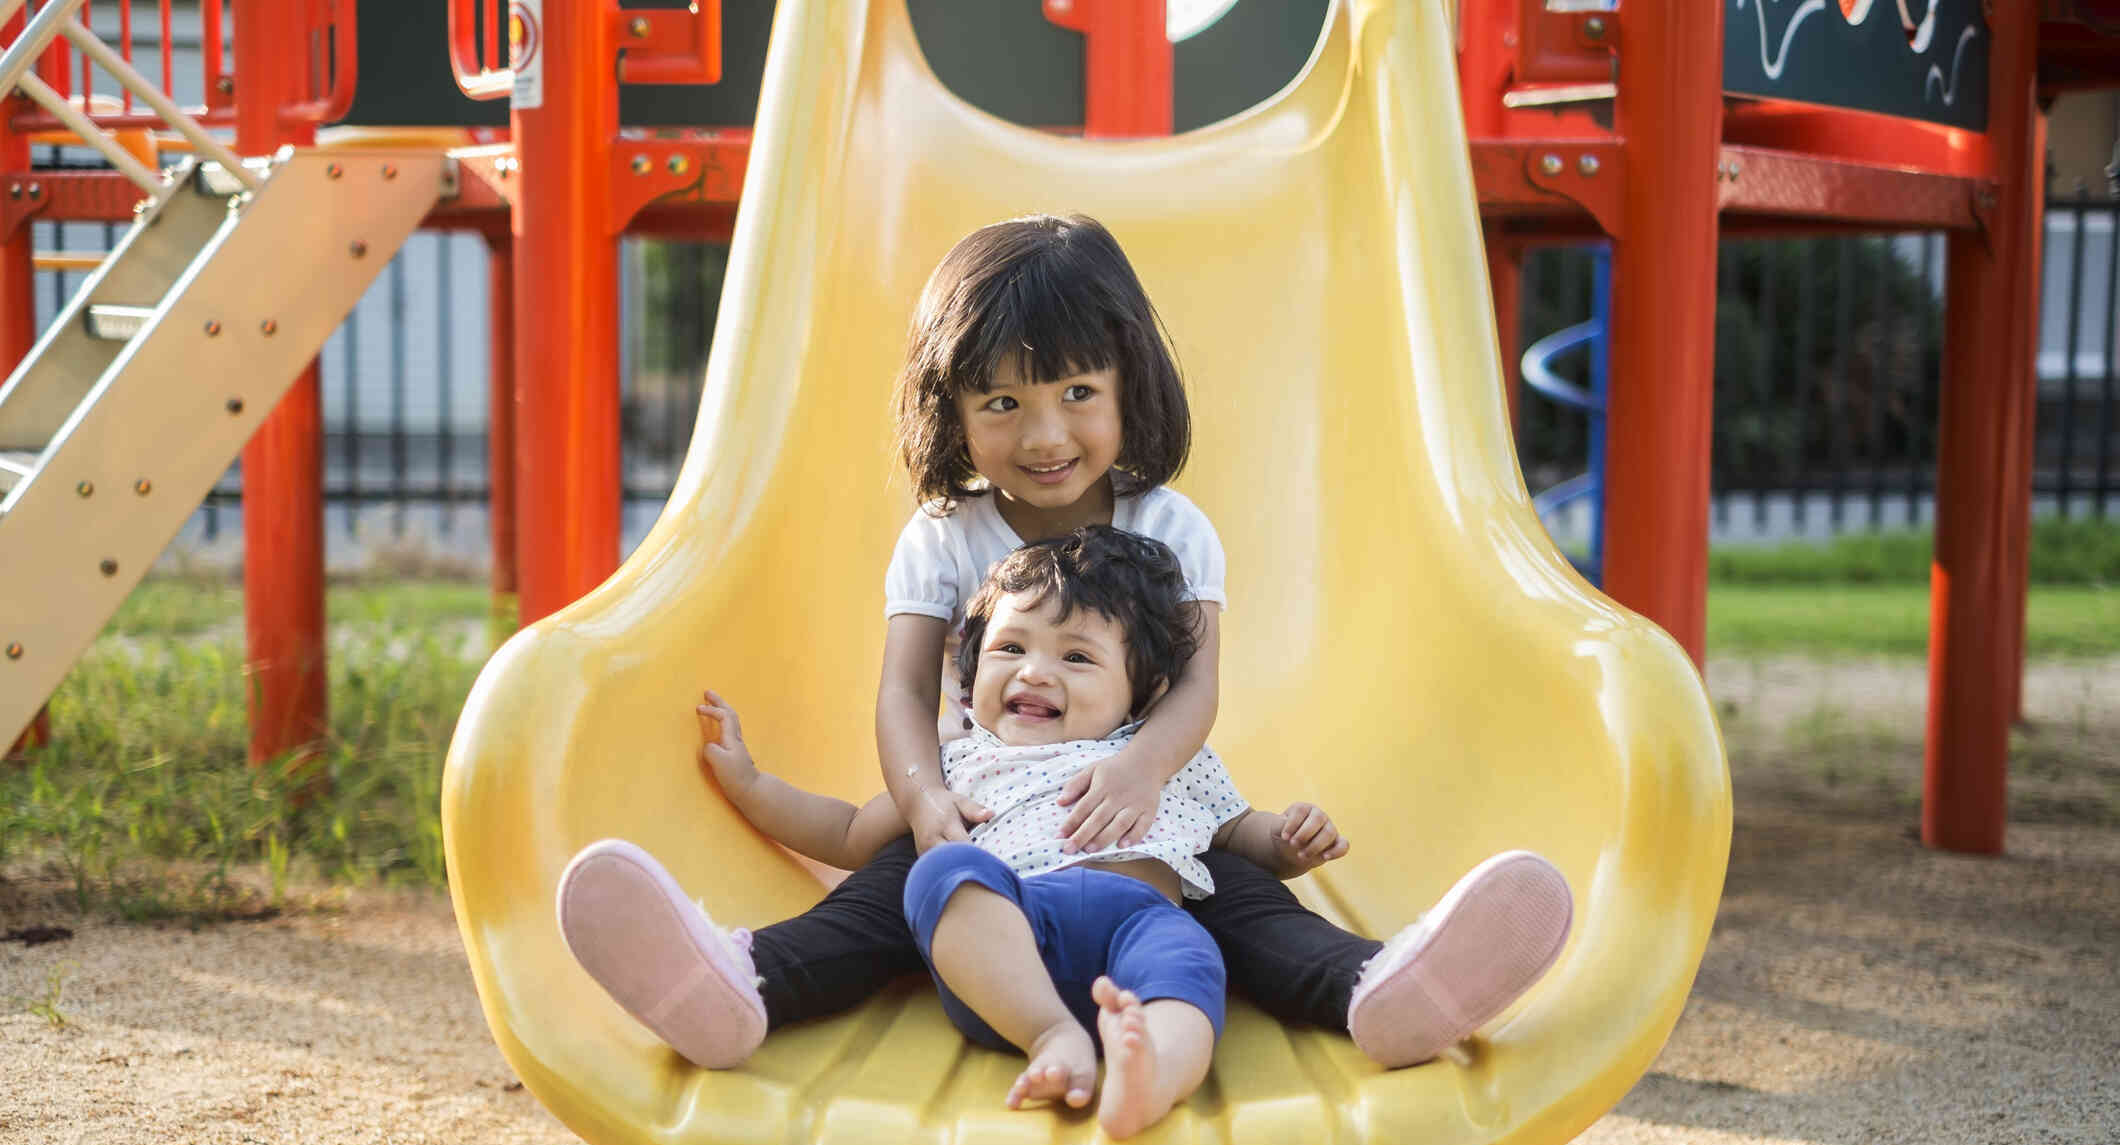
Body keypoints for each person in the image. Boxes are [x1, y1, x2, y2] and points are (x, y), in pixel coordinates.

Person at [554, 212, 1574, 1084]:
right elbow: (905, 694)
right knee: (891, 891)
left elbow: (1197, 682)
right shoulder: (946, 537)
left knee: (1251, 906)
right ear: (951, 408)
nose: (1045, 434)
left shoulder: (1171, 528)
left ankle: (1374, 989)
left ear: (1130, 382)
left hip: (1145, 823)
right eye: (1002, 403)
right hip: (984, 814)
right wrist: (927, 802)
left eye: (1077, 393)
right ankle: (741, 987)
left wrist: (1142, 768)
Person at [692, 526, 1361, 1137]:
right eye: (1010, 648)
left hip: (1139, 925)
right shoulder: (960, 759)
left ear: (1141, 692)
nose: (1034, 671)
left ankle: (1151, 1075)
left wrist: (1289, 842)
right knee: (939, 872)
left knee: (1188, 964)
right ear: (972, 669)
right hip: (1004, 948)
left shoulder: (1150, 762)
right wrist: (750, 785)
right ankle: (1050, 1036)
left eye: (1077, 658)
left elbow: (1239, 833)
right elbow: (847, 833)